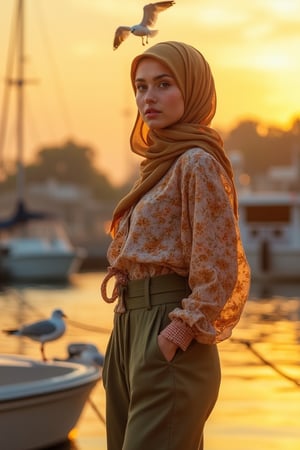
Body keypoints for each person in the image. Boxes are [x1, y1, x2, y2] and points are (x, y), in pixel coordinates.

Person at [101, 41, 250, 450]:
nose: (148, 97)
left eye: (163, 84)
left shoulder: (196, 162)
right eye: (141, 86)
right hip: (129, 327)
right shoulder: (158, 163)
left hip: (168, 327)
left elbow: (218, 261)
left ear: (193, 88)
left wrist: (178, 330)